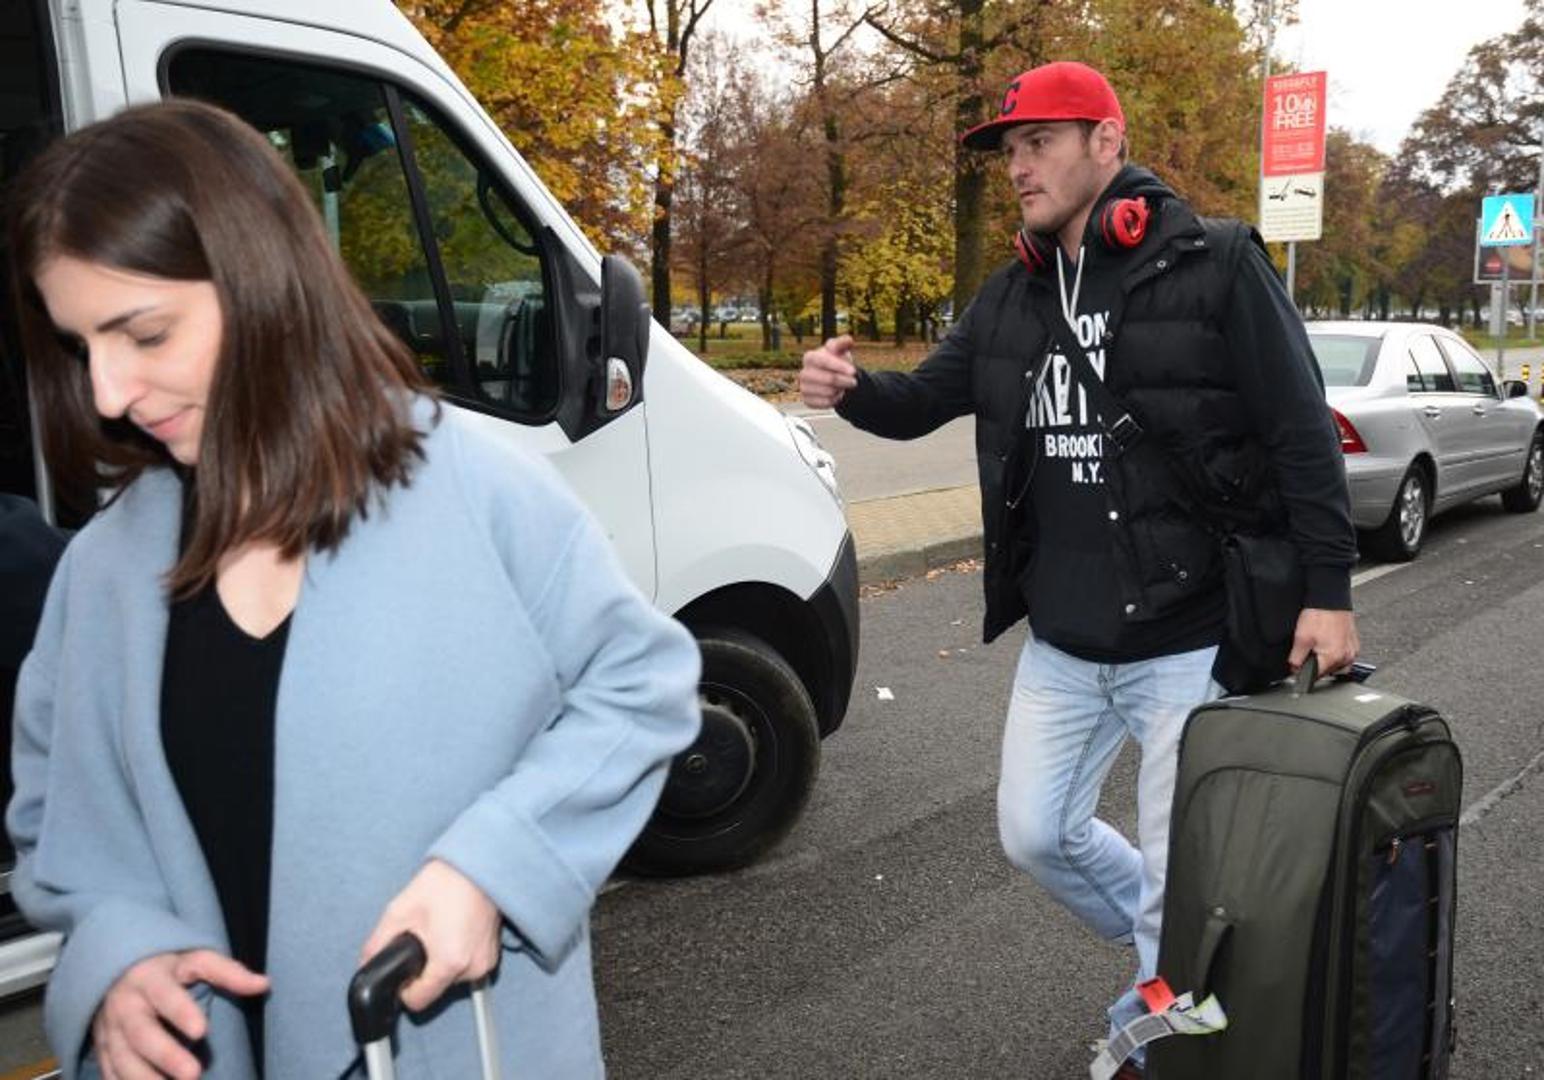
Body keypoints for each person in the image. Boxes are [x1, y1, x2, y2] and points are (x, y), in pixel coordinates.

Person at [5, 100, 701, 1079]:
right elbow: (54, 808)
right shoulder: (103, 568)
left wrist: (491, 868)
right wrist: (116, 956)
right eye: (82, 348)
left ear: (262, 284)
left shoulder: (473, 490)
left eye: (146, 335)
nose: (108, 393)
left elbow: (640, 687)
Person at [799, 61, 1358, 1075]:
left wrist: (1328, 594)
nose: (1018, 166)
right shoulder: (1012, 294)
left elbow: (1300, 435)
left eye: (1039, 142)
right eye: (1009, 150)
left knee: (1175, 877)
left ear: (1106, 141)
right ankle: (1183, 946)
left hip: (1188, 633)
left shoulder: (1214, 264)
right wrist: (850, 389)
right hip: (1063, 637)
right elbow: (924, 400)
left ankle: (1161, 1016)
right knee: (1035, 833)